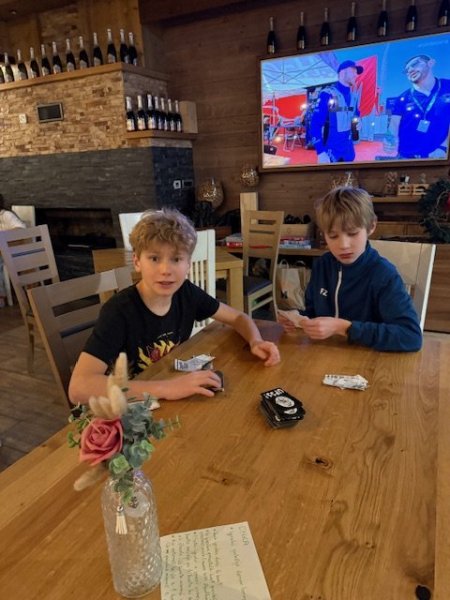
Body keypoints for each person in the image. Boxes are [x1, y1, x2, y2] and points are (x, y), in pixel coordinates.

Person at [69, 208, 281, 405]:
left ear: (188, 264)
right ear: (137, 262)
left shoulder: (186, 293)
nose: (165, 270)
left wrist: (255, 341)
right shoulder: (119, 311)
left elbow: (237, 317)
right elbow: (78, 388)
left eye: (176, 259)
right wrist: (167, 388)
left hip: (165, 390)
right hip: (127, 407)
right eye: (154, 258)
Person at [277, 187, 422, 352]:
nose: (343, 245)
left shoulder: (384, 275)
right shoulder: (322, 265)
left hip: (368, 358)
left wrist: (345, 328)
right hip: (327, 354)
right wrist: (298, 318)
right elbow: (314, 311)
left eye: (352, 233)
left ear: (371, 226)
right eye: (333, 236)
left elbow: (411, 336)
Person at [386, 54, 450, 159]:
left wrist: (443, 147)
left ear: (431, 63)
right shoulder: (402, 98)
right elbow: (393, 125)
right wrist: (389, 139)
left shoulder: (447, 87)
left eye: (415, 64)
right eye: (407, 70)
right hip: (405, 159)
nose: (410, 70)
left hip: (440, 159)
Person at [309, 60, 364, 164]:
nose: (356, 75)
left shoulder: (354, 97)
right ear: (342, 72)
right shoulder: (327, 94)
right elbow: (315, 124)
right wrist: (320, 152)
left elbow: (356, 114)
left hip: (349, 152)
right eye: (353, 71)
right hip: (331, 153)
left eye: (356, 72)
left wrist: (359, 121)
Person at [0, 195, 26, 308]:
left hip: (11, 249)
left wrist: (3, 235)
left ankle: (1, 296)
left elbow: (21, 229)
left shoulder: (6, 215)